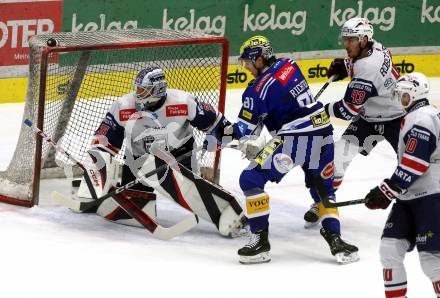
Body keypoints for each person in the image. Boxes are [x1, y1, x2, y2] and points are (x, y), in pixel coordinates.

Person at [207, 35, 358, 264]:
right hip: (323, 131)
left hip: (296, 139)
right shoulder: (289, 64)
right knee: (323, 191)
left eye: (248, 62)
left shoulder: (256, 90)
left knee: (250, 179)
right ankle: (336, 240)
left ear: (260, 59)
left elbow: (244, 132)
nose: (246, 67)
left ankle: (260, 242)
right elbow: (285, 100)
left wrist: (219, 131)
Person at [75, 66, 247, 237]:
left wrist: (218, 138)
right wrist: (97, 172)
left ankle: (229, 212)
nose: (138, 93)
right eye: (138, 88)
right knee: (133, 209)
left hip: (179, 155)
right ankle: (92, 191)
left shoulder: (183, 101)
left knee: (188, 189)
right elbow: (103, 141)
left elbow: (222, 126)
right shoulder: (123, 106)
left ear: (157, 90)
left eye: (143, 90)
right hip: (138, 158)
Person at [304, 17, 406, 227]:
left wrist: (321, 110)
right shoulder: (374, 47)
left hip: (397, 119)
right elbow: (358, 65)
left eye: (351, 40)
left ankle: (421, 207)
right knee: (338, 159)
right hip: (369, 119)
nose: (346, 44)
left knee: (411, 164)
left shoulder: (368, 67)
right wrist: (346, 65)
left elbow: (347, 110)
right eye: (346, 39)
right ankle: (323, 201)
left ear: (364, 39)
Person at [363, 72, 440, 298]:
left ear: (414, 94)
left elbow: (416, 162)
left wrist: (387, 190)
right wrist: (390, 190)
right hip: (409, 196)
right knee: (389, 249)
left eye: (403, 94)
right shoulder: (421, 115)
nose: (399, 99)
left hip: (431, 196)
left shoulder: (422, 118)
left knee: (431, 260)